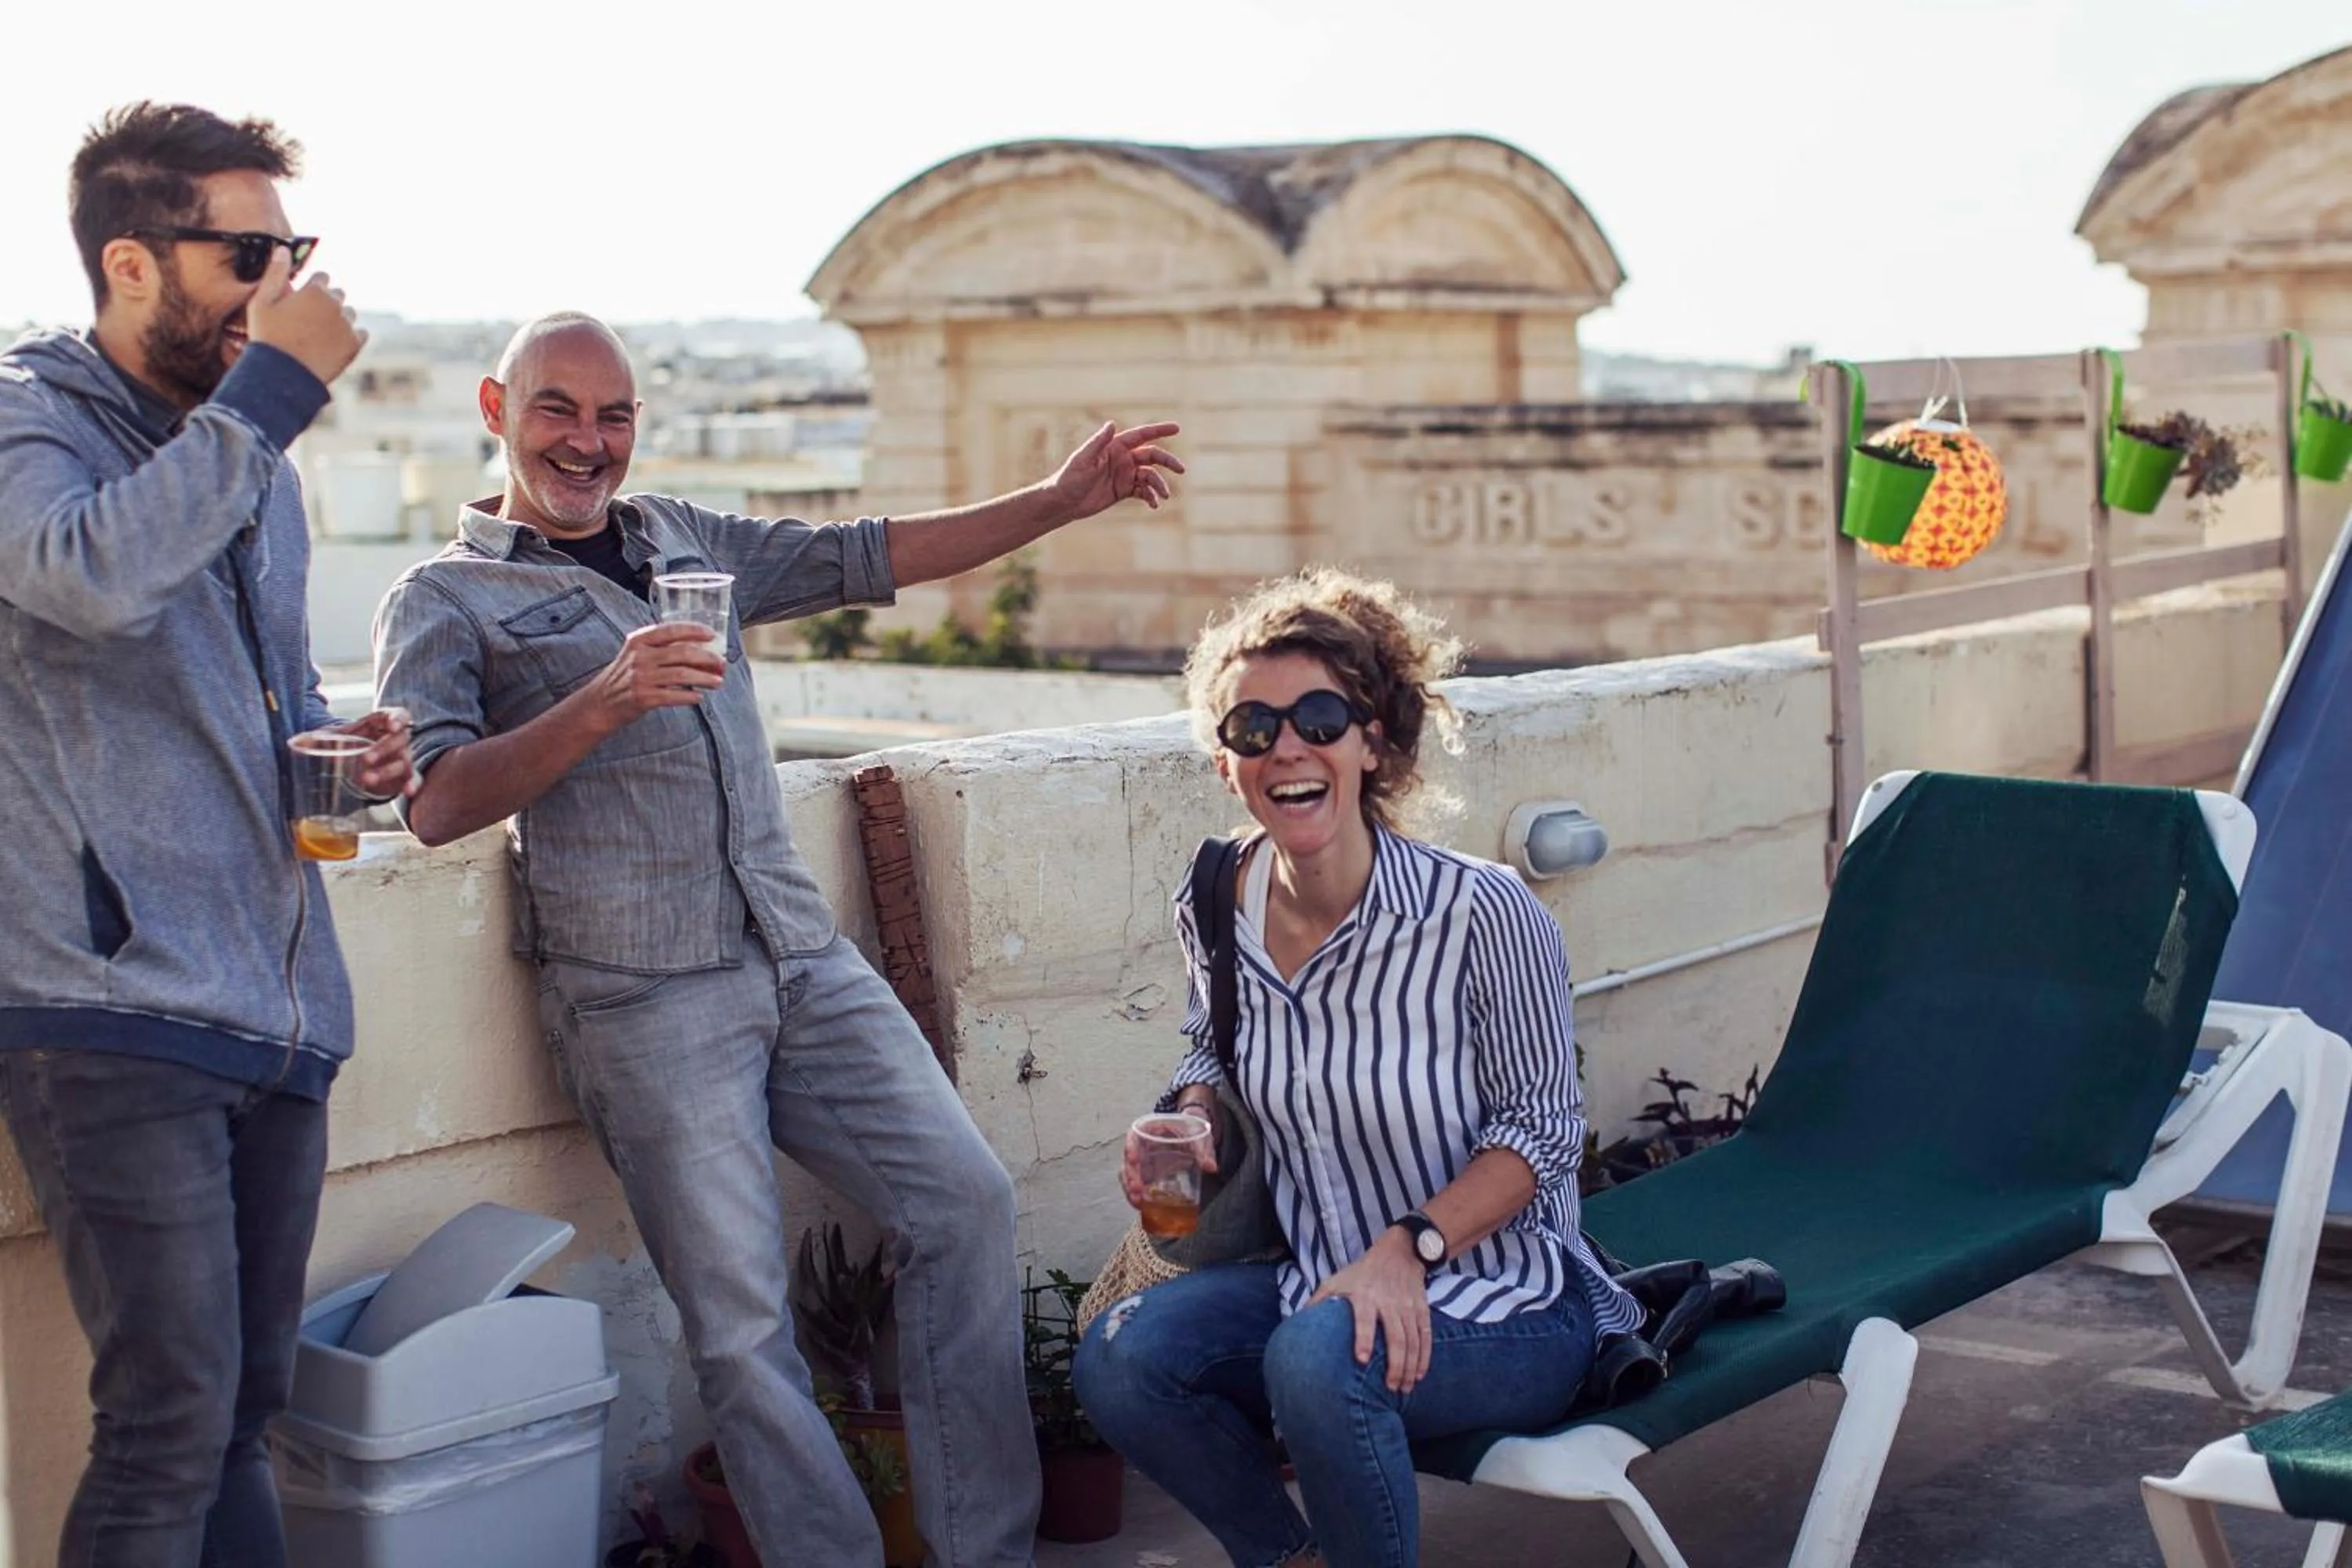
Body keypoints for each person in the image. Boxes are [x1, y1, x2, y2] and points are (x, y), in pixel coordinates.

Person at [370, 311, 1182, 1568]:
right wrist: (604, 699)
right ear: (496, 409)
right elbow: (431, 804)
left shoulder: (680, 535)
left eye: (614, 415)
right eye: (557, 410)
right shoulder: (445, 598)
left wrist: (1058, 503)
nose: (588, 442)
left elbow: (864, 555)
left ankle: (984, 1551)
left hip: (801, 954)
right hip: (645, 996)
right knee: (743, 1328)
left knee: (963, 1203)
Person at [0, 102, 412, 1567]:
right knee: (167, 1422)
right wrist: (277, 389)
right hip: (110, 1009)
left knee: (241, 1414)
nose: (282, 285)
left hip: (274, 1009)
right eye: (248, 255)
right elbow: (85, 577)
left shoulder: (257, 467)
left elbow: (271, 700)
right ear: (130, 262)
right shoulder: (30, 421)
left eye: (293, 252)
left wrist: (356, 754)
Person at [1072, 567, 1641, 1568]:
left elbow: (1542, 1130)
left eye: (1320, 718)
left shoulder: (1482, 911)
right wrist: (1194, 1117)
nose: (1288, 745)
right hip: (1315, 1284)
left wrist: (1406, 1249)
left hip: (1503, 1300)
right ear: (1227, 764)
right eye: (1254, 727)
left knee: (1318, 1356)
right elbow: (1211, 1044)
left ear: (1372, 741)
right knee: (1122, 1354)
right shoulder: (1216, 897)